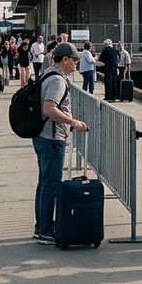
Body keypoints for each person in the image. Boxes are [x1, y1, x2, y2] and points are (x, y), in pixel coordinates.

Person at [32, 42, 89, 244]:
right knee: (51, 185)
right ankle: (46, 230)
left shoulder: (46, 74)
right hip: (52, 139)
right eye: (74, 60)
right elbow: (49, 108)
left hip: (42, 136)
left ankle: (41, 226)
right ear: (65, 59)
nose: (76, 64)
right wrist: (72, 122)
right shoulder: (58, 81)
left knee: (44, 183)